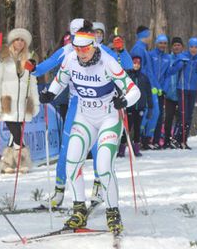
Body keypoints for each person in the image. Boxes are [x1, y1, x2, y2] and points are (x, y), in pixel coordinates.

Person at [39, 28, 140, 236]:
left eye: (85, 49)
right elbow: (60, 80)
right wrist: (50, 93)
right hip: (84, 117)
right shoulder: (71, 60)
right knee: (72, 162)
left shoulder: (108, 62)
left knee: (103, 166)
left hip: (108, 119)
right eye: (77, 48)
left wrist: (124, 101)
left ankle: (113, 213)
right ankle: (79, 211)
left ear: (94, 46)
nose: (81, 53)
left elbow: (134, 91)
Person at [0, 27, 40, 174]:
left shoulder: (30, 58)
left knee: (15, 134)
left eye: (22, 40)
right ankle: (22, 160)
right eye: (17, 40)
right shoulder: (3, 58)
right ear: (12, 41)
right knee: (17, 132)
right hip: (7, 101)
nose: (19, 42)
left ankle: (7, 163)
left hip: (23, 102)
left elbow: (33, 82)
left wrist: (35, 101)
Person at [120, 41, 150, 157]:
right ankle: (122, 148)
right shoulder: (128, 76)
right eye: (134, 63)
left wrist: (150, 106)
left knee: (137, 129)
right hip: (129, 107)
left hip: (140, 107)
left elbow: (147, 92)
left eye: (138, 63)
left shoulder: (144, 77)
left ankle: (136, 148)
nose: (136, 65)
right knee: (126, 128)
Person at [132, 26, 160, 150]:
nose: (150, 37)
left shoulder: (143, 49)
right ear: (145, 35)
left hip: (149, 85)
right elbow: (138, 70)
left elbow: (149, 71)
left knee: (153, 112)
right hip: (143, 86)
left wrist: (156, 86)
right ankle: (139, 140)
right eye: (149, 34)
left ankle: (146, 139)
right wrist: (145, 84)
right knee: (146, 113)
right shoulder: (138, 49)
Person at [148, 34, 172, 148]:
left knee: (159, 115)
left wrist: (164, 89)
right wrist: (156, 86)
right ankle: (146, 139)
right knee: (151, 114)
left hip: (161, 91)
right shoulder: (151, 55)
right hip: (151, 89)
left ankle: (156, 140)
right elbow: (150, 72)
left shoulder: (168, 57)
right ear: (156, 43)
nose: (163, 45)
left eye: (165, 43)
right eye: (161, 43)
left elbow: (168, 75)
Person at [160, 37, 185, 148]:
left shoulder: (184, 58)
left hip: (181, 93)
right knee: (168, 118)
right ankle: (167, 140)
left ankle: (178, 139)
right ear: (171, 47)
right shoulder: (168, 58)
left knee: (181, 118)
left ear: (182, 47)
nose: (176, 47)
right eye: (174, 45)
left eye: (178, 45)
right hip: (169, 94)